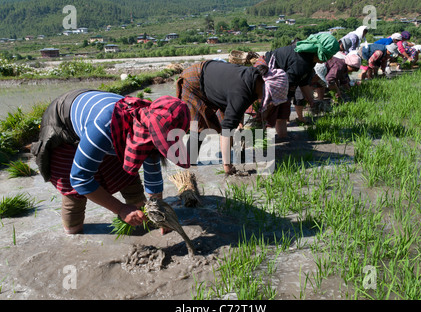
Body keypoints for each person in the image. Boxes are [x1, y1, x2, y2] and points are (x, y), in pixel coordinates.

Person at [31, 90, 190, 234]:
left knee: (127, 179)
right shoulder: (104, 127)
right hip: (65, 130)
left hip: (105, 127)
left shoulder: (153, 120)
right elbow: (79, 179)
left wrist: (160, 211)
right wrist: (120, 209)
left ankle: (137, 216)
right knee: (74, 207)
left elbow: (152, 168)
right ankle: (72, 230)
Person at [176, 59, 288, 175]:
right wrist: (227, 166)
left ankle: (233, 155)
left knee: (228, 121)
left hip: (214, 81)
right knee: (200, 125)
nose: (267, 100)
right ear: (265, 86)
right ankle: (188, 165)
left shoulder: (255, 81)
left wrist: (239, 122)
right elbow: (227, 128)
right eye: (269, 96)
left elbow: (238, 108)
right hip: (194, 81)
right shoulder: (241, 92)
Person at [254, 33, 340, 127]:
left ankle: (279, 136)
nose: (330, 59)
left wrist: (311, 101)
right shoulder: (301, 62)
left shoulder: (310, 59)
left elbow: (303, 82)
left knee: (281, 115)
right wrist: (267, 109)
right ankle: (256, 135)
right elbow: (281, 88)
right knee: (264, 116)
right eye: (329, 56)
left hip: (282, 82)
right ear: (320, 53)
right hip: (265, 75)